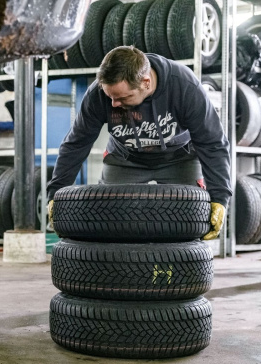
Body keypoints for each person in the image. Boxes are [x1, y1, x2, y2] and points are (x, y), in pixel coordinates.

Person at [46, 46, 231, 240]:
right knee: (107, 220)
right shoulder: (98, 95)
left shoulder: (184, 86)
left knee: (190, 222)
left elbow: (212, 142)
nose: (114, 105)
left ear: (146, 83)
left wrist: (219, 198)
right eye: (110, 97)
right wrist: (56, 193)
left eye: (122, 98)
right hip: (125, 158)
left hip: (179, 158)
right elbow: (77, 143)